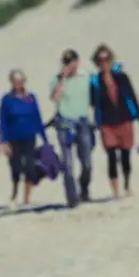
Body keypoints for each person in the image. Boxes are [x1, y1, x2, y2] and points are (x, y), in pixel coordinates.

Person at [89, 44, 139, 198]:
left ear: (111, 59)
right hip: (106, 122)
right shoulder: (95, 81)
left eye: (107, 59)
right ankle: (115, 190)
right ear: (96, 62)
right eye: (100, 60)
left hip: (124, 118)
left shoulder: (121, 77)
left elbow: (132, 97)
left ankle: (127, 184)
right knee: (112, 156)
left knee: (126, 155)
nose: (104, 62)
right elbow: (92, 103)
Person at [49, 49, 95, 206]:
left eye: (71, 62)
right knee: (68, 163)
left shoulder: (85, 76)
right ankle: (72, 198)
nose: (69, 65)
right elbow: (54, 98)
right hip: (64, 123)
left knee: (87, 162)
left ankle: (84, 188)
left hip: (83, 122)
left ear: (77, 62)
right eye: (66, 62)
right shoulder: (56, 80)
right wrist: (62, 78)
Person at [0, 69, 44, 210]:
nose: (18, 84)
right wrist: (4, 141)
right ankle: (15, 192)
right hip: (13, 137)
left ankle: (27, 197)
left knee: (30, 165)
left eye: (21, 81)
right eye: (15, 81)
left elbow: (37, 116)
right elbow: (2, 120)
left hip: (29, 136)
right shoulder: (7, 99)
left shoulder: (31, 98)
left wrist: (44, 137)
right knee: (16, 166)